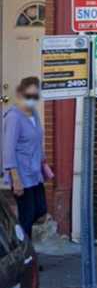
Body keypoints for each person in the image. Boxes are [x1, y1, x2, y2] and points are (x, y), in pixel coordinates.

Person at [3, 76, 50, 239]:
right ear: (21, 94)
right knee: (27, 217)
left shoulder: (35, 114)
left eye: (35, 96)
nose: (31, 100)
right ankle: (26, 256)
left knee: (41, 209)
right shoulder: (14, 118)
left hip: (35, 173)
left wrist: (43, 159)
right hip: (21, 175)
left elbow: (37, 139)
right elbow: (8, 150)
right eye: (28, 96)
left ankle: (19, 242)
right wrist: (15, 179)